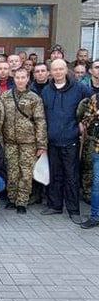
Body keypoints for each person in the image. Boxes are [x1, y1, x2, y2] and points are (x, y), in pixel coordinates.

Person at [41, 59, 91, 221]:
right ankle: (55, 206)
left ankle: (73, 210)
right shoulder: (46, 90)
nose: (58, 72)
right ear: (50, 72)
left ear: (66, 70)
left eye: (60, 69)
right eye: (54, 69)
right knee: (54, 175)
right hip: (52, 140)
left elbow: (92, 103)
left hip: (71, 140)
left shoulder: (79, 88)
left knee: (71, 176)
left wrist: (84, 122)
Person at [1, 68, 47, 214]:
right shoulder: (5, 96)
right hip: (10, 141)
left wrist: (41, 144)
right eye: (17, 77)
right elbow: (1, 119)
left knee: (26, 173)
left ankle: (22, 201)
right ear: (13, 78)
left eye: (23, 77)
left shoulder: (34, 98)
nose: (20, 80)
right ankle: (12, 198)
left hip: (29, 142)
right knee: (12, 171)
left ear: (28, 79)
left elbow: (40, 121)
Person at [78, 94, 99, 228]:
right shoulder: (96, 99)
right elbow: (85, 121)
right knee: (96, 185)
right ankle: (95, 216)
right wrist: (95, 115)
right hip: (98, 148)